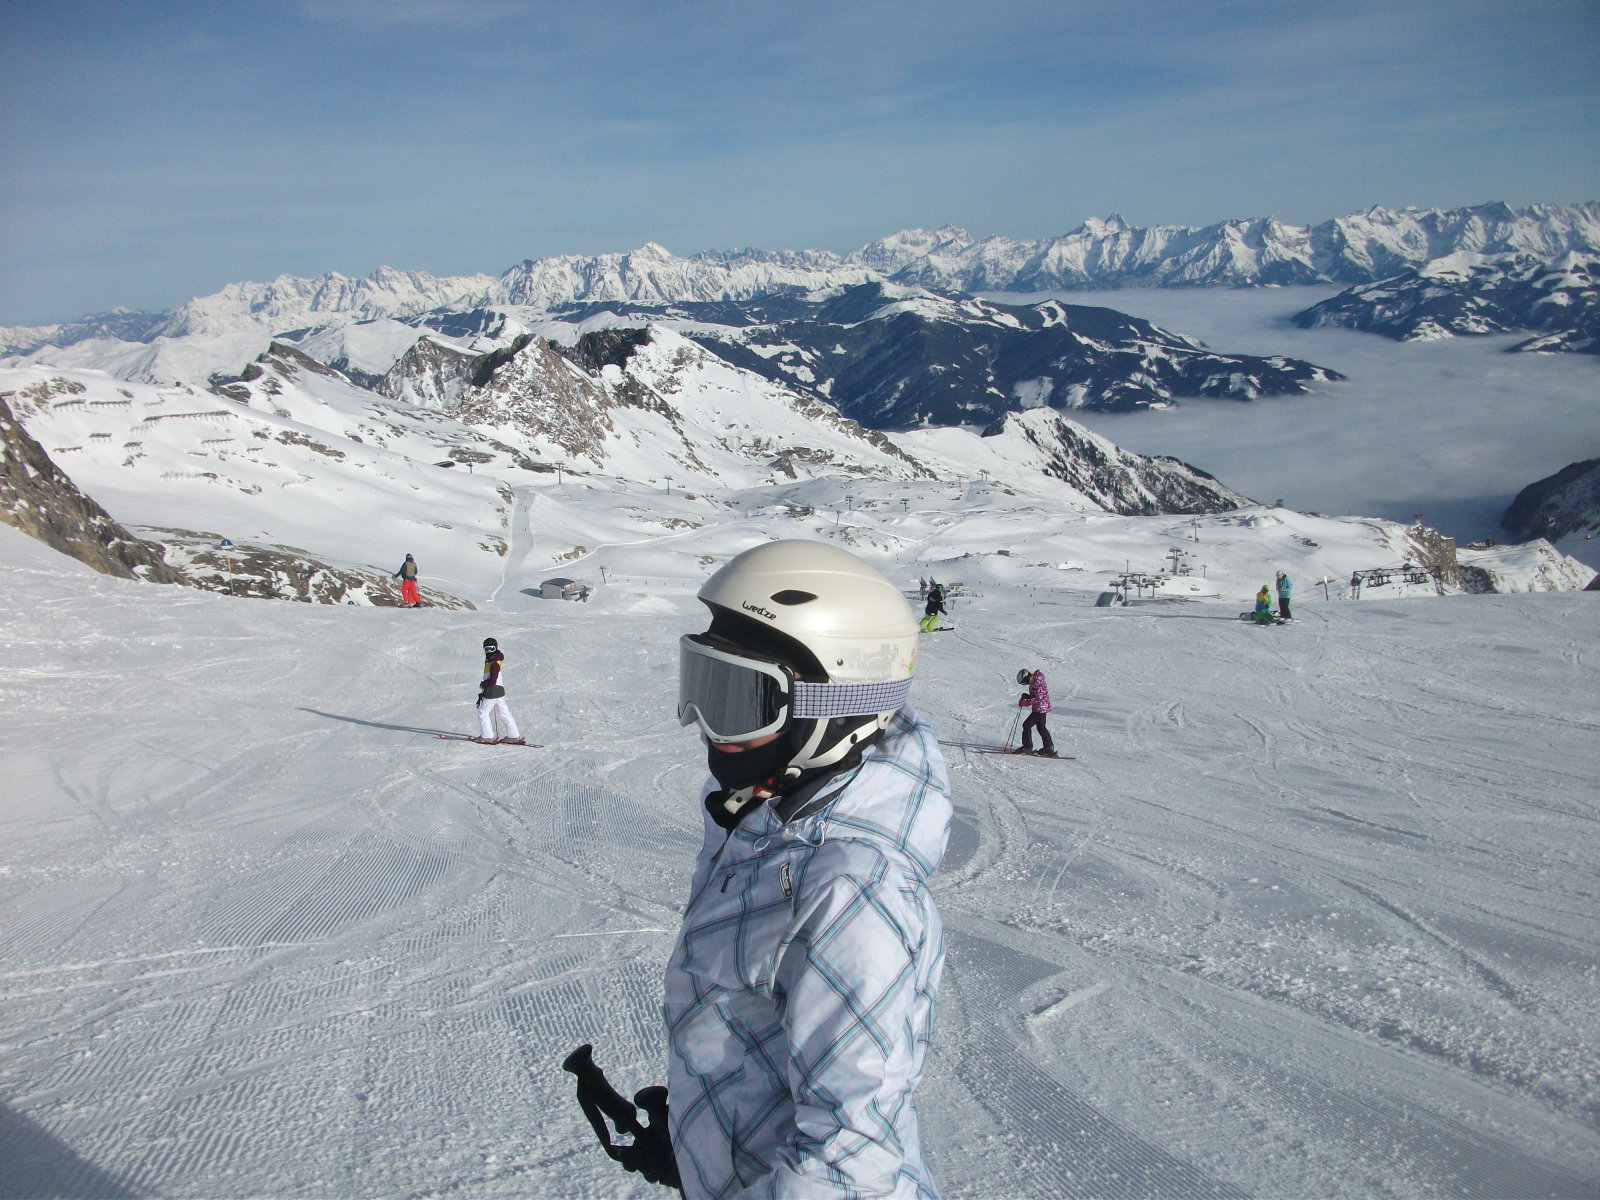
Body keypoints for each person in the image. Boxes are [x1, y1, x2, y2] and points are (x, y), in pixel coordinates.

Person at [666, 539, 951, 1198]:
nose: (708, 726)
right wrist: (705, 1137)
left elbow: (849, 1164)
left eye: (739, 699)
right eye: (702, 683)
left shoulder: (849, 892)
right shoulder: (768, 821)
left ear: (834, 709)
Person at [475, 637, 525, 744]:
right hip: (500, 691)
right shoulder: (494, 659)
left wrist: (483, 684)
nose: (489, 651)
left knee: (482, 712)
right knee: (504, 712)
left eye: (491, 649)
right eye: (486, 649)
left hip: (492, 691)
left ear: (495, 648)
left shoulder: (494, 663)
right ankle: (513, 735)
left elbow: (492, 680)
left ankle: (487, 736)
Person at [1015, 668, 1057, 757]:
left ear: (1028, 677)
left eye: (1025, 682)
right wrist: (1028, 696)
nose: (1026, 684)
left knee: (1027, 725)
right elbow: (1036, 696)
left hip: (1040, 709)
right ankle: (1048, 748)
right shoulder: (1035, 681)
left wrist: (1026, 702)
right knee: (1041, 727)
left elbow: (1038, 699)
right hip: (1040, 709)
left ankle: (1027, 747)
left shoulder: (1038, 684)